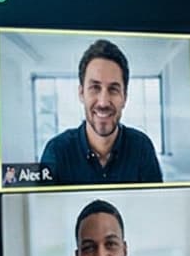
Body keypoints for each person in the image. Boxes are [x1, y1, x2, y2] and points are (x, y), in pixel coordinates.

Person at [38, 39, 164, 184]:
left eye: (113, 89)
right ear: (81, 94)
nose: (103, 102)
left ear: (125, 97)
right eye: (95, 88)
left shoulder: (142, 147)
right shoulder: (57, 151)